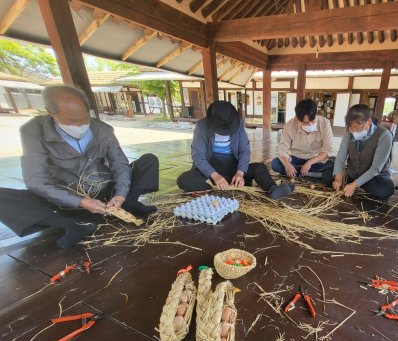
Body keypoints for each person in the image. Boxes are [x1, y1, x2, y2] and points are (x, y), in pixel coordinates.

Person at [0, 85, 159, 249]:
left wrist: (121, 194)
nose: (80, 125)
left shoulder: (102, 129)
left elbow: (120, 164)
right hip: (64, 195)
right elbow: (36, 180)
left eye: (84, 118)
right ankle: (71, 225)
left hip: (104, 189)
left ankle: (127, 204)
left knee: (148, 161)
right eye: (71, 120)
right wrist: (80, 201)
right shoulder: (34, 131)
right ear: (50, 112)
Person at [177, 100, 294, 199]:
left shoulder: (238, 123)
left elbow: (244, 150)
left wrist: (240, 172)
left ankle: (272, 189)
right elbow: (198, 156)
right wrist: (215, 175)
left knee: (259, 167)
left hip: (232, 166)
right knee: (184, 180)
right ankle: (217, 188)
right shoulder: (202, 126)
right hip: (210, 166)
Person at [331, 104, 394, 199]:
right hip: (352, 173)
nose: (353, 131)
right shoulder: (349, 134)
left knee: (385, 190)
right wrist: (338, 177)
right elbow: (340, 158)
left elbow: (375, 169)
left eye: (357, 127)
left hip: (374, 177)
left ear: (369, 121)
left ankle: (354, 185)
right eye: (350, 127)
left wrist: (354, 185)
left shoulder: (384, 135)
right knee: (328, 176)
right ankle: (353, 184)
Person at [271, 99, 334, 185]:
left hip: (315, 159)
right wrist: (287, 165)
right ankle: (306, 173)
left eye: (313, 120)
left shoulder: (325, 123)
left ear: (316, 114)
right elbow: (282, 149)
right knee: (275, 164)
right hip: (296, 158)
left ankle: (298, 172)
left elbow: (328, 151)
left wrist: (309, 162)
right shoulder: (289, 126)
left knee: (332, 164)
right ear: (298, 119)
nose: (311, 125)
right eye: (306, 123)